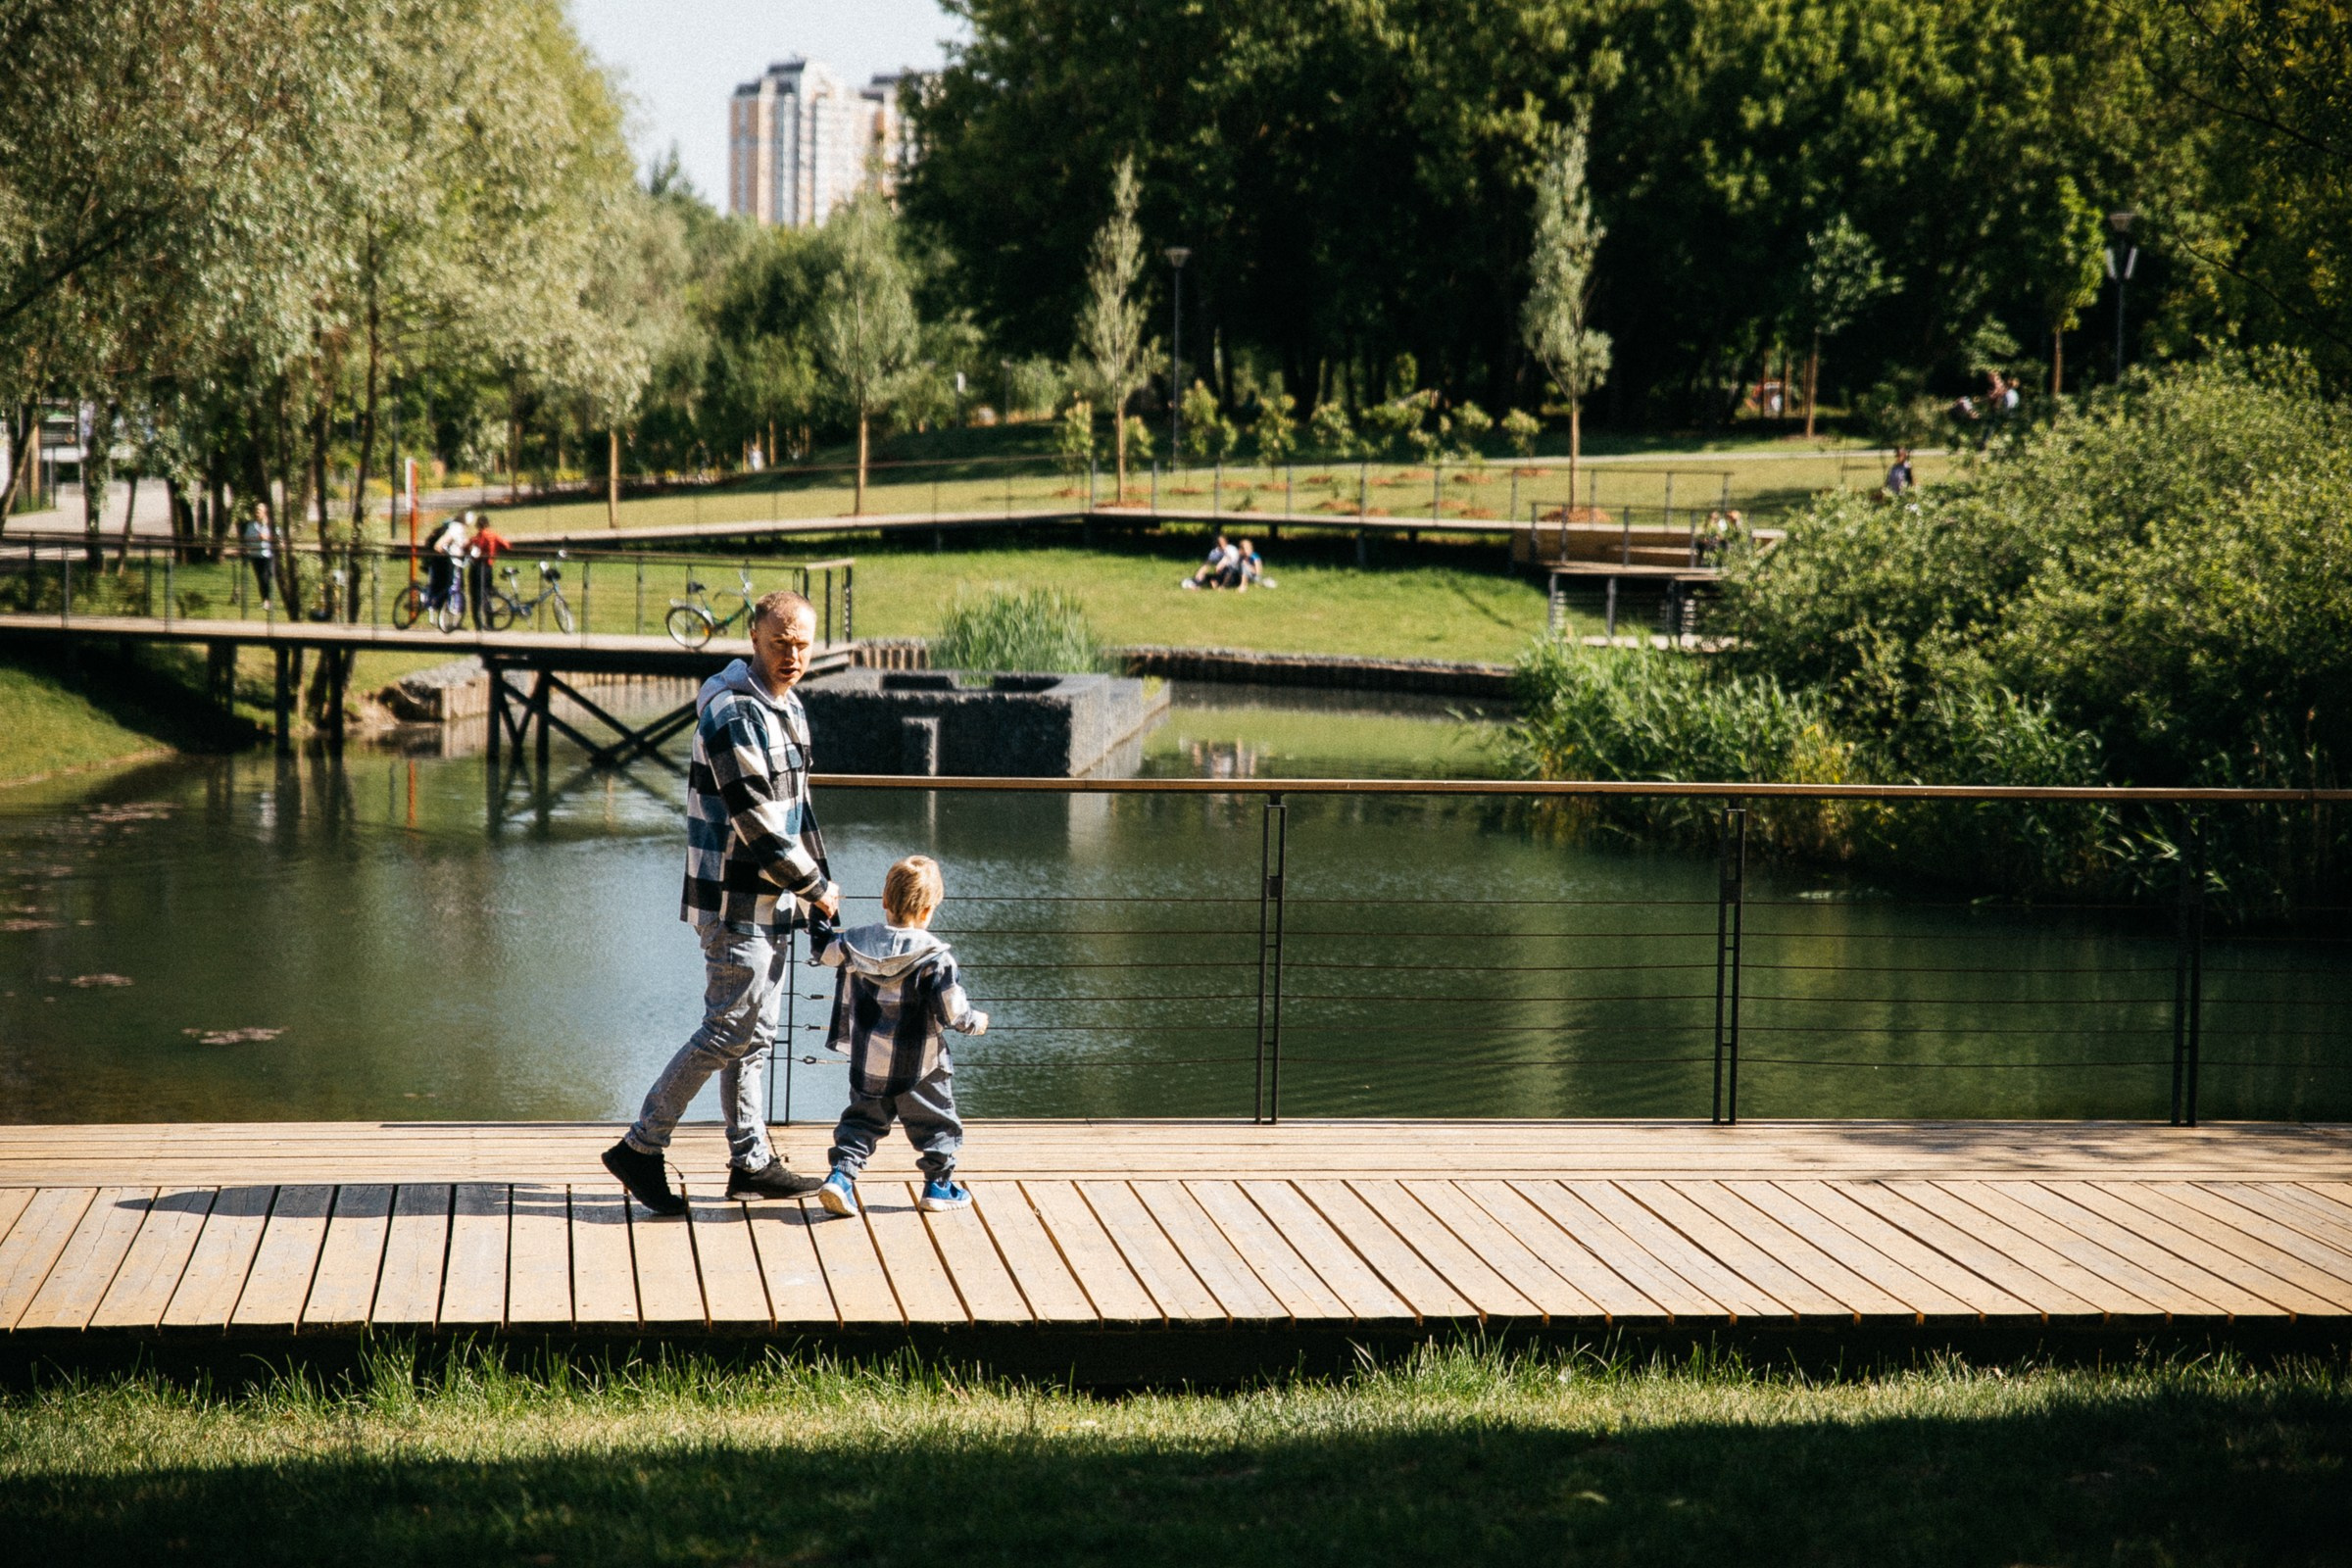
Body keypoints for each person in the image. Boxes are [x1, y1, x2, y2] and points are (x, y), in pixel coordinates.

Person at [602, 590, 840, 1215]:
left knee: (755, 1036)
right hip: (733, 900)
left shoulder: (788, 706)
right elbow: (755, 820)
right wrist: (815, 885)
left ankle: (750, 1163)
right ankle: (641, 1146)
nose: (792, 655)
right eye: (780, 642)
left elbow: (797, 811)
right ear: (755, 639)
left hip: (774, 900)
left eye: (802, 644)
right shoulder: (734, 711)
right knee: (728, 1030)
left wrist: (816, 887)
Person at [810, 855, 988, 1217]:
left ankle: (841, 1177)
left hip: (870, 1060)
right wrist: (976, 1022)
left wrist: (820, 909)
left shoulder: (855, 942)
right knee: (937, 1123)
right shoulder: (935, 958)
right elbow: (952, 1013)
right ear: (928, 910)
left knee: (861, 1122)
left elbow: (823, 949)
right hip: (921, 1065)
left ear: (885, 900)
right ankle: (938, 1186)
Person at [466, 513, 514, 628]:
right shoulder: (493, 535)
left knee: (476, 596)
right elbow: (506, 545)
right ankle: (490, 622)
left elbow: (467, 547)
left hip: (477, 567)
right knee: (488, 594)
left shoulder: (476, 538)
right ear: (487, 524)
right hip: (488, 567)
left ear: (478, 525)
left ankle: (478, 625)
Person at [425, 513, 467, 614]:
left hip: (445, 562)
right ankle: (435, 603)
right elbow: (438, 545)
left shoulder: (454, 530)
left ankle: (437, 604)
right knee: (448, 585)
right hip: (447, 563)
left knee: (445, 585)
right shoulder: (455, 529)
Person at [239, 503, 274, 605]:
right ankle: (265, 600)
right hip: (255, 554)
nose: (257, 513)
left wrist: (266, 538)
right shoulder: (251, 525)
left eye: (259, 511)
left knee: (265, 577)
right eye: (256, 511)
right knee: (260, 578)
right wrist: (251, 542)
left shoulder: (270, 525)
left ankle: (268, 599)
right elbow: (247, 538)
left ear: (264, 512)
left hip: (267, 554)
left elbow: (277, 537)